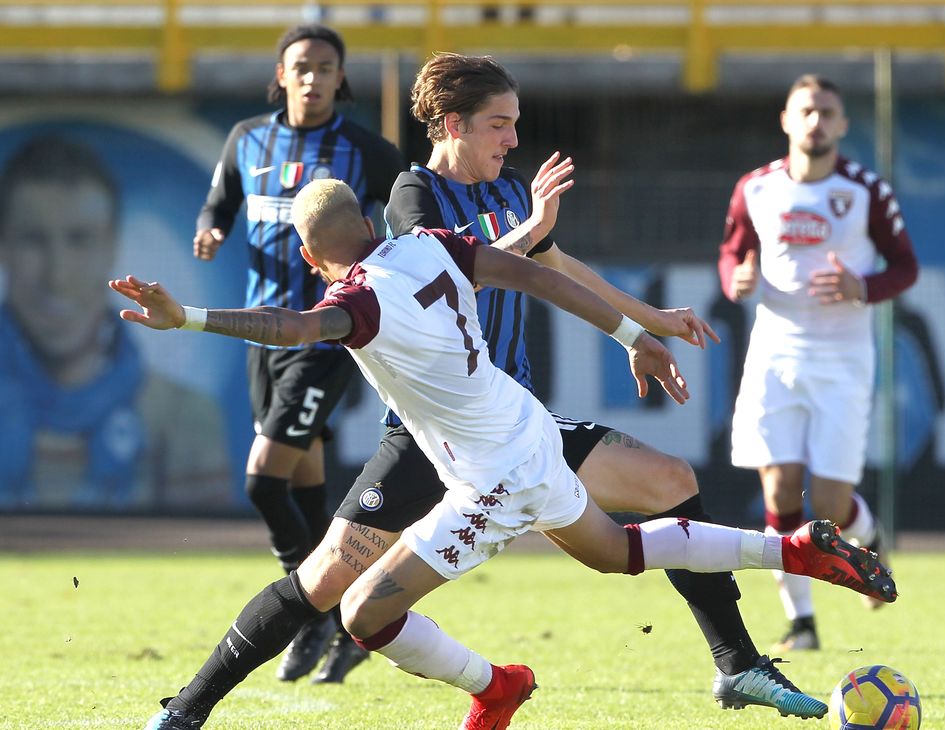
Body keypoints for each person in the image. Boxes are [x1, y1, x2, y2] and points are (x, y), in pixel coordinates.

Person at [134, 53, 832, 730]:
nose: (513, 138)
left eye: (515, 122)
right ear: (453, 125)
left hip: (516, 423)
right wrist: (534, 232)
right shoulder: (412, 196)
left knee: (669, 481)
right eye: (500, 123)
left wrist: (645, 323)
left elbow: (553, 268)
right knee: (323, 583)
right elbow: (438, 271)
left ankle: (737, 664)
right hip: (431, 438)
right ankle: (189, 705)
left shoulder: (510, 188)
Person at [193, 23, 405, 683]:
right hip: (261, 332)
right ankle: (345, 617)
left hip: (324, 330)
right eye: (302, 66)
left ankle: (312, 611)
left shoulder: (368, 151)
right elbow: (218, 205)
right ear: (281, 75)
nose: (313, 78)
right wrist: (211, 231)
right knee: (303, 476)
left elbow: (408, 224)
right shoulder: (246, 139)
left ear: (341, 78)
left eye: (326, 67)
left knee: (263, 479)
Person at [718, 74, 919, 653]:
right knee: (780, 491)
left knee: (829, 505)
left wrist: (864, 286)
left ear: (842, 124)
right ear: (786, 119)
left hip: (842, 357)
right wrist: (736, 280)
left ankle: (869, 537)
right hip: (775, 351)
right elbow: (732, 252)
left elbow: (905, 266)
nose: (816, 122)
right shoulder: (755, 187)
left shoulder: (865, 190)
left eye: (827, 112)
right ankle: (802, 623)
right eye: (806, 111)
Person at [0, 134, 230, 510]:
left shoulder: (183, 417)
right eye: (34, 240)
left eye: (79, 241)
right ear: (3, 247)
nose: (57, 276)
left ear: (111, 247)